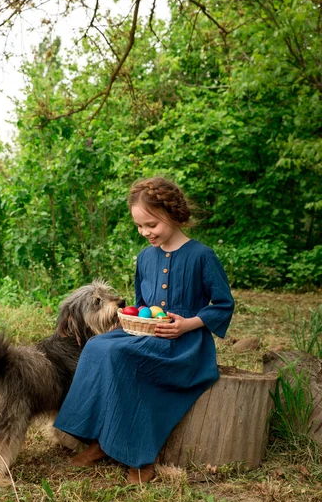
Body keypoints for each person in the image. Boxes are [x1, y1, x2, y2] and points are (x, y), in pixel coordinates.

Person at [54, 177, 234, 484]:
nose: (145, 233)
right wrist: (131, 317)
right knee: (99, 347)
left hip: (185, 345)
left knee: (121, 356)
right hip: (147, 333)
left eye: (151, 225)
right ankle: (98, 440)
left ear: (173, 213)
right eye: (139, 227)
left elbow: (223, 304)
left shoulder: (202, 255)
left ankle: (139, 458)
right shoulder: (145, 258)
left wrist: (187, 324)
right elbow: (143, 305)